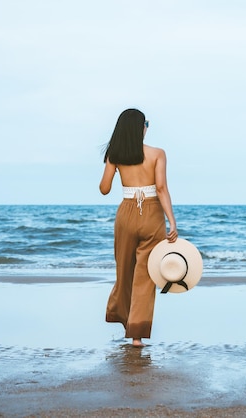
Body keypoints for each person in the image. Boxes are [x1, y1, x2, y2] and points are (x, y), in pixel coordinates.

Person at [99, 108, 178, 347]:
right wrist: (172, 222)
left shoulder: (116, 154)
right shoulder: (158, 154)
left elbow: (103, 189)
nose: (147, 126)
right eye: (146, 122)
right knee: (145, 276)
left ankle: (123, 318)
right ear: (140, 127)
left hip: (126, 214)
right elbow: (162, 188)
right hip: (152, 214)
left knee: (124, 271)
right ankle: (136, 335)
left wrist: (113, 164)